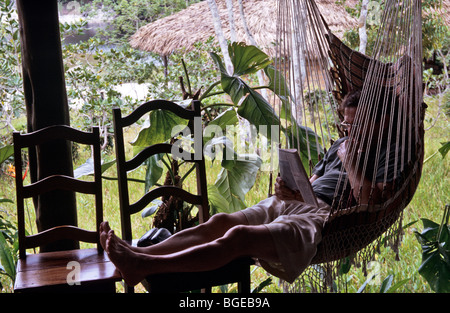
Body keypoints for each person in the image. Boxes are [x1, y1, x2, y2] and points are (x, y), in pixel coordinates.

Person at [100, 89, 393, 287]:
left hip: (326, 217)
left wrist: (351, 163)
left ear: (379, 121)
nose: (347, 132)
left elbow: (371, 203)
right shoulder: (342, 144)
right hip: (302, 204)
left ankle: (143, 265)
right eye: (345, 124)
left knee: (239, 237)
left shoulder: (390, 151)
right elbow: (313, 186)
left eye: (355, 126)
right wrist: (289, 191)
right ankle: (140, 256)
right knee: (221, 222)